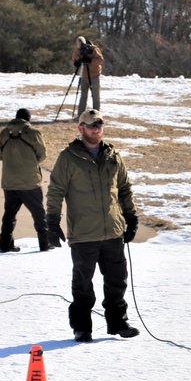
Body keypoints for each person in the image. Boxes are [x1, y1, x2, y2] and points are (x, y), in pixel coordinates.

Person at [46, 109, 140, 342]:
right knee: (82, 284)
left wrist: (131, 216)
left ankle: (119, 323)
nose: (95, 129)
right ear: (81, 129)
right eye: (90, 125)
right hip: (84, 233)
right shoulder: (68, 157)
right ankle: (82, 327)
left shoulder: (113, 156)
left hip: (112, 231)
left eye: (99, 125)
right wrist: (52, 221)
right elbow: (56, 190)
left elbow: (125, 188)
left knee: (117, 281)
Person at [0, 108, 50, 252]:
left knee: (9, 213)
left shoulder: (4, 132)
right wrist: (30, 162)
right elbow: (42, 155)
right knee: (38, 213)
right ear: (28, 119)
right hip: (29, 181)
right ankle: (45, 243)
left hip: (10, 181)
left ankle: (5, 244)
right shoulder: (33, 132)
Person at [70, 36, 104, 116]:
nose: (78, 45)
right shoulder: (77, 51)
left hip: (94, 75)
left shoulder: (93, 49)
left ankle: (96, 115)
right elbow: (74, 59)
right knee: (83, 96)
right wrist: (76, 63)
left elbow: (100, 60)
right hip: (83, 76)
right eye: (77, 43)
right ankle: (81, 115)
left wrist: (90, 60)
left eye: (80, 43)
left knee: (95, 96)